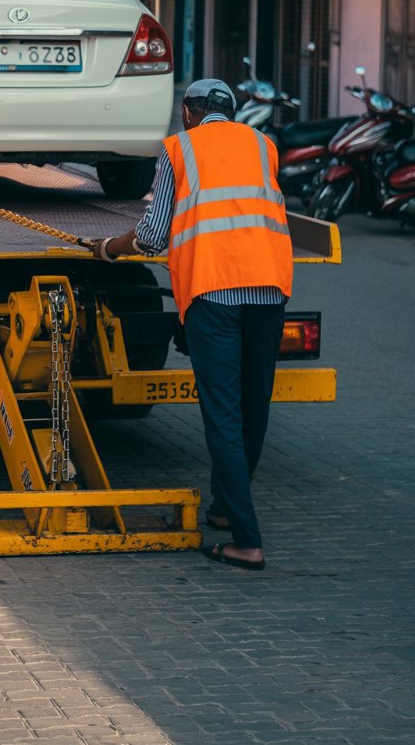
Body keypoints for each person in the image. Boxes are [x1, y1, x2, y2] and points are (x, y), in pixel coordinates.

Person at [92, 78, 292, 571]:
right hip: (269, 288)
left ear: (188, 113)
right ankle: (226, 509)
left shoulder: (179, 149)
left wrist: (107, 249)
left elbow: (154, 236)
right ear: (231, 111)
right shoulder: (265, 145)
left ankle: (247, 541)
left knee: (222, 414)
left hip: (213, 291)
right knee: (252, 403)